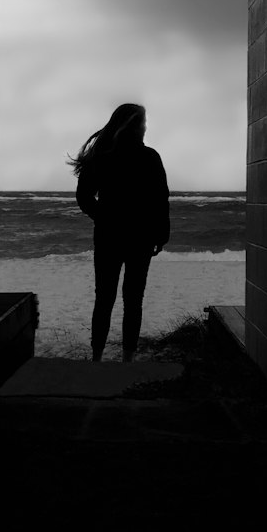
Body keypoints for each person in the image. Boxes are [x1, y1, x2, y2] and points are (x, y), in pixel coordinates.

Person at [69, 103, 170, 362]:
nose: (146, 126)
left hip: (108, 236)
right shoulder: (149, 157)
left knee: (104, 298)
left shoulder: (102, 156)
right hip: (140, 237)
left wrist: (103, 216)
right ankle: (127, 361)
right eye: (143, 122)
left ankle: (97, 358)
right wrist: (161, 235)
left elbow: (84, 197)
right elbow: (160, 200)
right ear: (136, 125)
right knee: (132, 299)